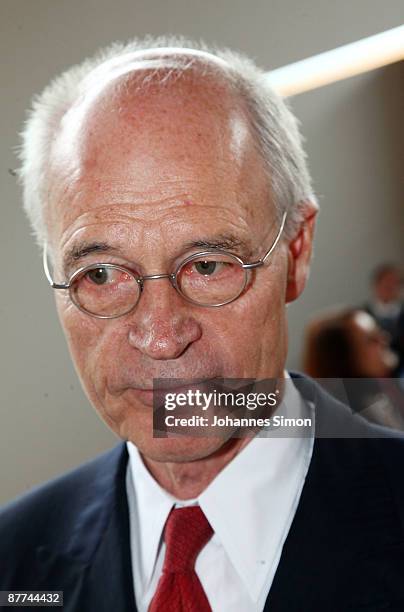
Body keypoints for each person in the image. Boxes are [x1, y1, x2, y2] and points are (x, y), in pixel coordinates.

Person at [1, 36, 404, 612]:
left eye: (209, 265)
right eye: (100, 275)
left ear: (297, 249)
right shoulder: (15, 565)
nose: (161, 338)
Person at [303, 307, 404, 429]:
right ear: (343, 360)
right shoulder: (353, 423)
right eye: (371, 339)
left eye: (379, 331)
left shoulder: (388, 390)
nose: (384, 338)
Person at [365, 263, 404, 375]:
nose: (390, 288)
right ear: (376, 285)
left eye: (395, 284)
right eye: (386, 283)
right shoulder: (360, 316)